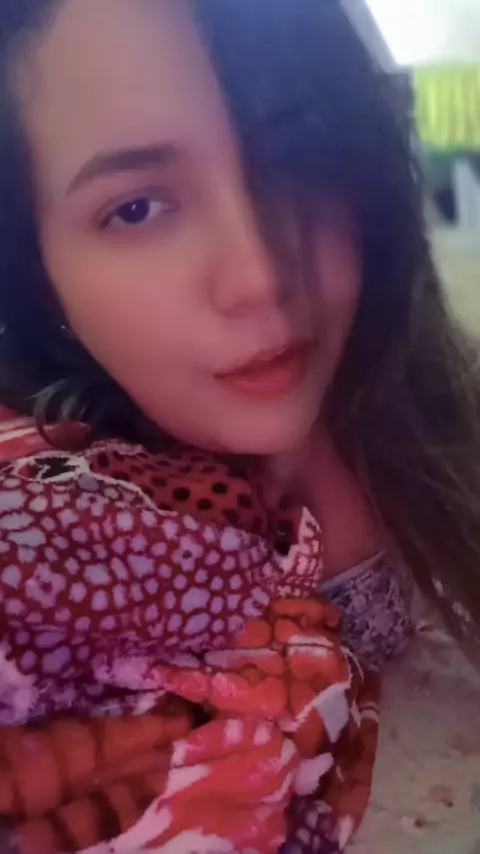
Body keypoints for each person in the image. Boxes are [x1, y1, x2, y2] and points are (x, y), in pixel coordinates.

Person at [0, 1, 479, 852]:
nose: (258, 273)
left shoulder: (435, 408)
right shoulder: (57, 557)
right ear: (39, 275)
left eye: (293, 156)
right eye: (138, 208)